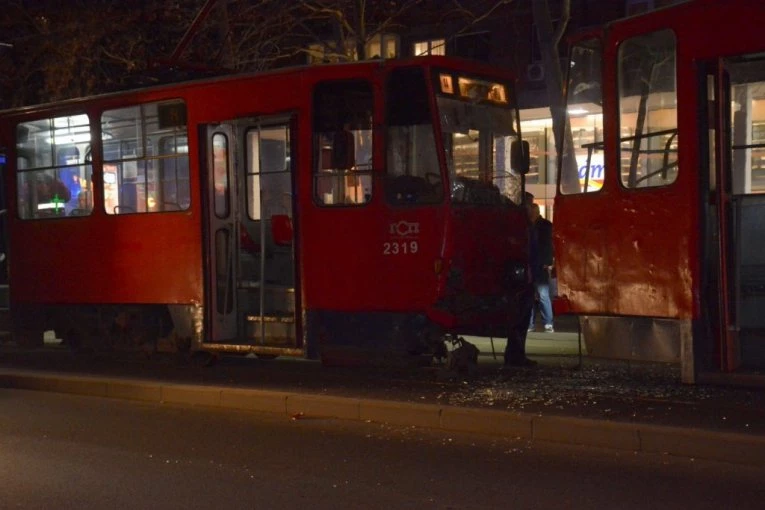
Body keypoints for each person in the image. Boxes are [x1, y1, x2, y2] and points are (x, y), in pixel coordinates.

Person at [503, 192, 537, 368]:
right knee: (519, 318)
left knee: (521, 319)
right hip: (522, 278)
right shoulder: (522, 226)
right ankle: (515, 355)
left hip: (525, 276)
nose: (533, 208)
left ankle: (516, 353)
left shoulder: (523, 225)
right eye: (531, 205)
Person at [528, 202, 555, 333]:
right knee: (541, 294)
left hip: (537, 264)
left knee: (538, 294)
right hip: (537, 264)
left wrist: (547, 261)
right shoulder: (545, 225)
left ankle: (535, 323)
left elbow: (549, 245)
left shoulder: (541, 226)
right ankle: (546, 323)